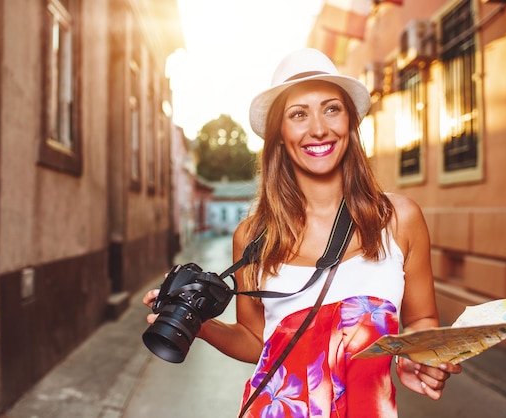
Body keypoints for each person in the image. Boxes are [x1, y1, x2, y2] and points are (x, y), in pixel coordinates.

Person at [143, 48, 462, 417]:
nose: (318, 129)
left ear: (349, 122)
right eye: (298, 114)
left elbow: (422, 320)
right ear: (279, 134)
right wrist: (198, 324)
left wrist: (418, 356)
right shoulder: (253, 237)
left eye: (331, 108)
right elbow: (256, 340)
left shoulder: (400, 219)